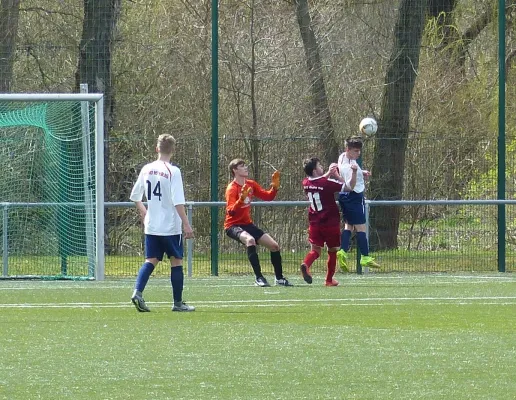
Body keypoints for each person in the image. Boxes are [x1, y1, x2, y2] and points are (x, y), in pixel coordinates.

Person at [129, 134, 195, 312]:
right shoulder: (173, 171)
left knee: (150, 260)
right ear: (173, 150)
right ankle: (177, 303)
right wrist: (186, 224)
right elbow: (178, 201)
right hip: (170, 226)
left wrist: (145, 212)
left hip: (152, 226)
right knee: (176, 261)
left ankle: (138, 291)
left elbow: (135, 197)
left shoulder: (147, 168)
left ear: (157, 148)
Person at [224, 159, 293, 287]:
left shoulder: (250, 184)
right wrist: (241, 199)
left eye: (245, 165)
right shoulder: (231, 189)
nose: (245, 168)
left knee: (274, 246)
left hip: (247, 224)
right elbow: (231, 212)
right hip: (232, 226)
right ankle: (259, 278)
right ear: (234, 170)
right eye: (242, 166)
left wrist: (275, 187)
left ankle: (279, 279)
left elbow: (268, 197)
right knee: (250, 240)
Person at [301, 158, 356, 286]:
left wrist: (328, 173)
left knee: (315, 250)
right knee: (332, 250)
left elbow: (317, 182)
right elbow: (349, 187)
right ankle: (329, 279)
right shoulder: (327, 183)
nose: (322, 167)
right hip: (330, 222)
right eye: (319, 166)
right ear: (315, 170)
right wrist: (353, 172)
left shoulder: (306, 182)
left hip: (314, 222)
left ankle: (306, 264)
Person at [336, 136, 380, 270]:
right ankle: (365, 257)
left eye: (359, 150)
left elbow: (342, 179)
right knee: (361, 228)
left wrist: (361, 172)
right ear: (347, 149)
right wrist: (356, 172)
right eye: (355, 151)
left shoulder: (342, 157)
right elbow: (351, 184)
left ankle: (342, 251)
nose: (358, 153)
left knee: (348, 226)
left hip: (344, 196)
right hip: (353, 196)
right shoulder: (350, 167)